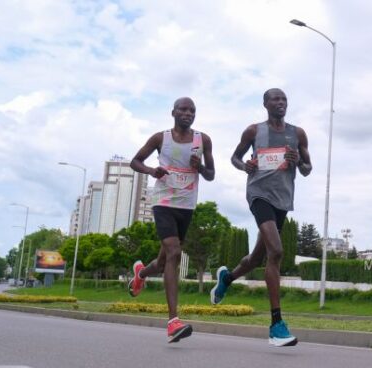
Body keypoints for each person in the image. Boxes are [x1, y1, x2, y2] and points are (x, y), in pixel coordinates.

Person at [210, 88, 312, 346]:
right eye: (275, 99)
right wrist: (245, 165)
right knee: (275, 252)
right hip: (259, 194)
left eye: (284, 99)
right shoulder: (254, 131)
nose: (280, 103)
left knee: (257, 257)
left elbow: (308, 169)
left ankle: (227, 278)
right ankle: (276, 325)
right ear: (265, 104)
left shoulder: (297, 133)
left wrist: (298, 159)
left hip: (282, 198)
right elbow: (235, 157)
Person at [128, 97, 215, 343]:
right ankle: (173, 321)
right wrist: (151, 171)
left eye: (192, 111)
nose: (188, 114)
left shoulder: (203, 140)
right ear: (173, 112)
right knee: (174, 253)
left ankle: (141, 273)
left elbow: (211, 175)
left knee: (165, 259)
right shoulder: (160, 138)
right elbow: (135, 161)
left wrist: (199, 167)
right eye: (183, 109)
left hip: (186, 205)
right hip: (163, 201)